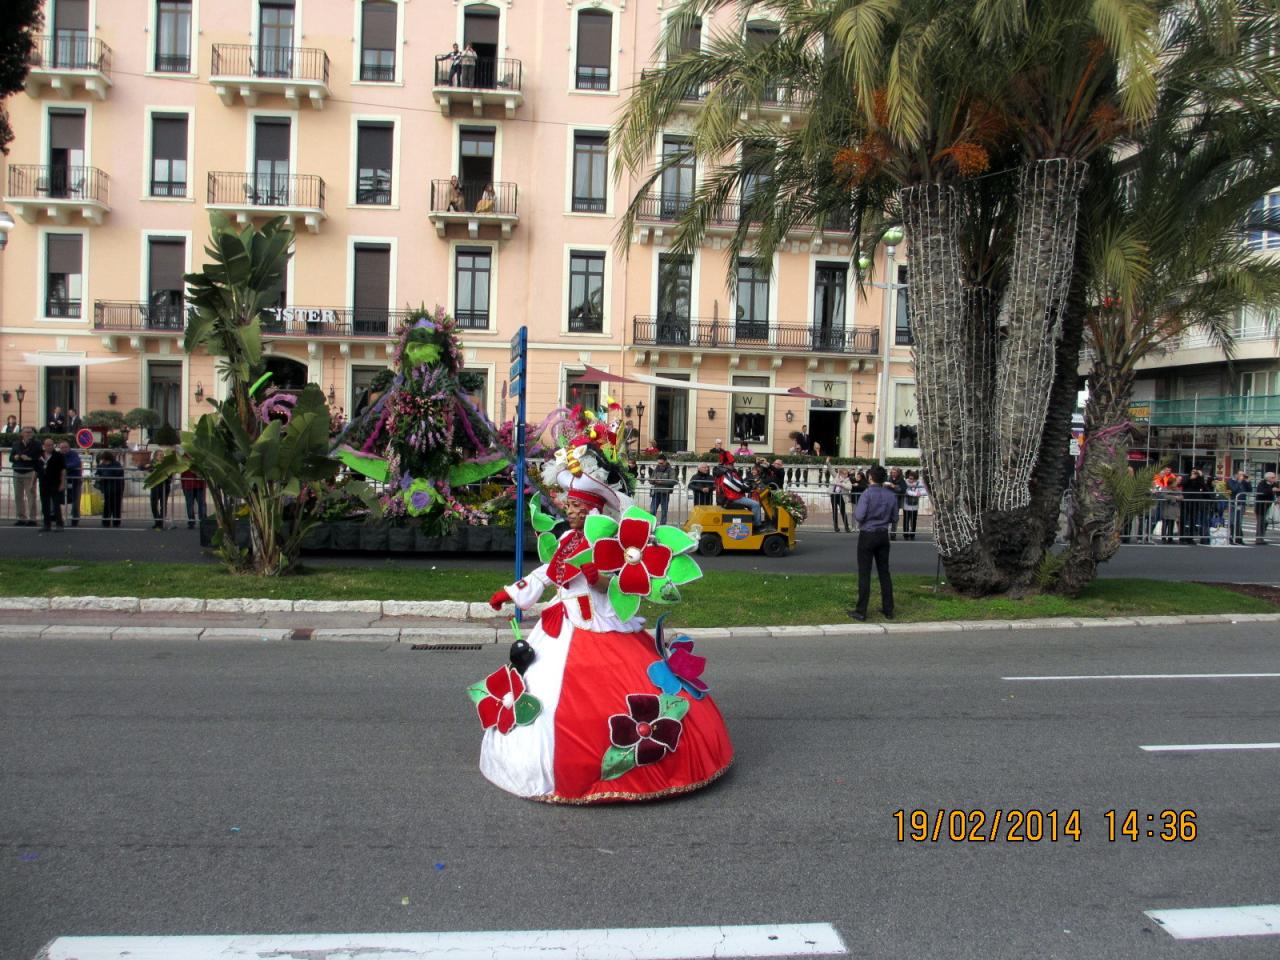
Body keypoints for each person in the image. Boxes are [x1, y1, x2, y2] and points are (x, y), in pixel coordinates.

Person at [478, 427, 732, 803]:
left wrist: (601, 578)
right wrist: (513, 593)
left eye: (578, 506)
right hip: (560, 626)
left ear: (595, 512)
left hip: (601, 622)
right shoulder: (565, 541)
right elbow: (548, 573)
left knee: (614, 691)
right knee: (547, 690)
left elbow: (622, 582)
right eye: (569, 504)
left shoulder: (607, 542)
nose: (570, 509)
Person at [850, 465, 896, 621]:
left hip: (868, 534)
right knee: (884, 572)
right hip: (883, 534)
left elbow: (859, 515)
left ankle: (861, 610)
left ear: (870, 478)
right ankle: (888, 609)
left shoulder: (867, 494)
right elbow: (895, 517)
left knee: (864, 573)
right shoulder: (890, 495)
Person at [714, 451, 766, 528]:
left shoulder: (724, 472)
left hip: (730, 496)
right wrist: (747, 488)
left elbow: (739, 482)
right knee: (756, 504)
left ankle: (751, 522)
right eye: (731, 464)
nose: (733, 465)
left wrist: (746, 486)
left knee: (751, 503)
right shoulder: (726, 473)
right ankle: (757, 525)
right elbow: (736, 486)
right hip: (732, 497)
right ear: (726, 465)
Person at [9, 426, 40, 526]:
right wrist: (16, 457)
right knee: (18, 496)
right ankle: (21, 518)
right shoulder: (16, 444)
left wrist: (29, 458)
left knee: (31, 496)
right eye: (26, 432)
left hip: (29, 472)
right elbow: (11, 458)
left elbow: (37, 457)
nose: (29, 434)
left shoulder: (36, 444)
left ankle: (32, 518)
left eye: (30, 432)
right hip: (18, 471)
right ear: (22, 434)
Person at [34, 437, 67, 532]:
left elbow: (63, 470)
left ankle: (59, 524)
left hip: (55, 483)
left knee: (56, 505)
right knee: (45, 505)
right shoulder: (40, 456)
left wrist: (62, 483)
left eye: (51, 445)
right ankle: (46, 524)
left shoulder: (58, 456)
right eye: (47, 445)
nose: (50, 447)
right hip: (43, 484)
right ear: (44, 446)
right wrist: (33, 483)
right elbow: (36, 470)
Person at [94, 451, 125, 528]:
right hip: (107, 488)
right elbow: (98, 473)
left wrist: (104, 475)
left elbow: (118, 472)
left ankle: (116, 522)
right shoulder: (101, 465)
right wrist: (97, 476)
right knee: (107, 505)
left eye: (104, 459)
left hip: (116, 488)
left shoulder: (116, 464)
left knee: (116, 505)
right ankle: (106, 522)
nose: (103, 461)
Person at [1182, 468, 1211, 544]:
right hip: (1186, 501)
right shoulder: (1187, 477)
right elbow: (1182, 484)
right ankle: (1182, 538)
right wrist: (1190, 478)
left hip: (1195, 501)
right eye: (1193, 472)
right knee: (1184, 519)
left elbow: (1205, 487)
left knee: (1193, 520)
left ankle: (1190, 538)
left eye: (1196, 472)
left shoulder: (1199, 479)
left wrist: (1201, 476)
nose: (1194, 473)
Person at [58, 440, 83, 527]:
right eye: (62, 448)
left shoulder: (74, 454)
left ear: (69, 448)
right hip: (61, 481)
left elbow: (76, 463)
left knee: (76, 502)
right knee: (56, 499)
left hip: (75, 482)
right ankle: (57, 518)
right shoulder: (57, 455)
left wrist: (64, 467)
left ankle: (75, 519)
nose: (64, 449)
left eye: (65, 447)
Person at [147, 448, 173, 530]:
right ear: (155, 456)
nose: (161, 456)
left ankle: (161, 522)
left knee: (163, 505)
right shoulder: (152, 463)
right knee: (153, 504)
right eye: (159, 455)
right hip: (155, 486)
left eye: (162, 455)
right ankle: (157, 521)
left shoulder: (167, 464)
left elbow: (170, 475)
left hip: (164, 486)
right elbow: (143, 467)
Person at [649, 454, 676, 524]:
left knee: (664, 511)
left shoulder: (671, 470)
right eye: (658, 463)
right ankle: (651, 525)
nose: (659, 464)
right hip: (656, 492)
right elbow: (650, 480)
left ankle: (662, 526)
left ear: (665, 461)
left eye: (661, 463)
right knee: (652, 511)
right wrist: (653, 480)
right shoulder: (656, 469)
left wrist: (661, 482)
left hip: (665, 493)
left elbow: (673, 481)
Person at [1227, 470, 1252, 545]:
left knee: (1239, 522)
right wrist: (1239, 481)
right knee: (1232, 521)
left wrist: (1247, 482)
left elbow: (1249, 490)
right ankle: (1230, 537)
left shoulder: (1243, 482)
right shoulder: (1231, 481)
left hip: (1241, 503)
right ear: (1236, 475)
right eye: (1240, 475)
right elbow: (1234, 489)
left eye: (1243, 475)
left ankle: (1238, 538)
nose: (1242, 476)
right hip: (1233, 503)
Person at [902, 470, 925, 541]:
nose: (910, 480)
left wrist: (920, 493)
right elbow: (907, 491)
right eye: (909, 478)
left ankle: (912, 534)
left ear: (915, 478)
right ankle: (905, 534)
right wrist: (915, 493)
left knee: (913, 520)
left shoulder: (918, 483)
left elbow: (924, 490)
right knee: (906, 520)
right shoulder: (905, 482)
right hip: (906, 505)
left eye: (912, 479)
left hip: (915, 506)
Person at [887, 466, 907, 539]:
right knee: (887, 517)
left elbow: (903, 489)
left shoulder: (901, 480)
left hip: (896, 502)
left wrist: (894, 486)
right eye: (892, 472)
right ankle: (885, 533)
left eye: (895, 472)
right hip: (888, 502)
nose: (893, 474)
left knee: (895, 519)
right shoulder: (888, 479)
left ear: (898, 473)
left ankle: (893, 534)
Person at [1257, 471, 1277, 545]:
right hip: (1261, 506)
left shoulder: (1274, 484)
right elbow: (1262, 491)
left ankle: (1262, 537)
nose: (1274, 479)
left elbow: (1277, 491)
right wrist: (1271, 489)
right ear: (1267, 478)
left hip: (1269, 506)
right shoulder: (1262, 483)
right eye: (1272, 477)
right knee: (1260, 522)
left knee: (1266, 522)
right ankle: (1258, 539)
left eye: (1274, 477)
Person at [830, 468, 851, 533]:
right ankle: (836, 527)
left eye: (847, 473)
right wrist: (828, 463)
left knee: (843, 512)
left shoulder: (847, 480)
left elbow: (849, 487)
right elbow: (831, 470)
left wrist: (842, 484)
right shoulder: (836, 477)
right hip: (834, 495)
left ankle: (846, 527)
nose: (846, 475)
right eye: (844, 473)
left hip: (841, 496)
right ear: (841, 473)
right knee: (834, 511)